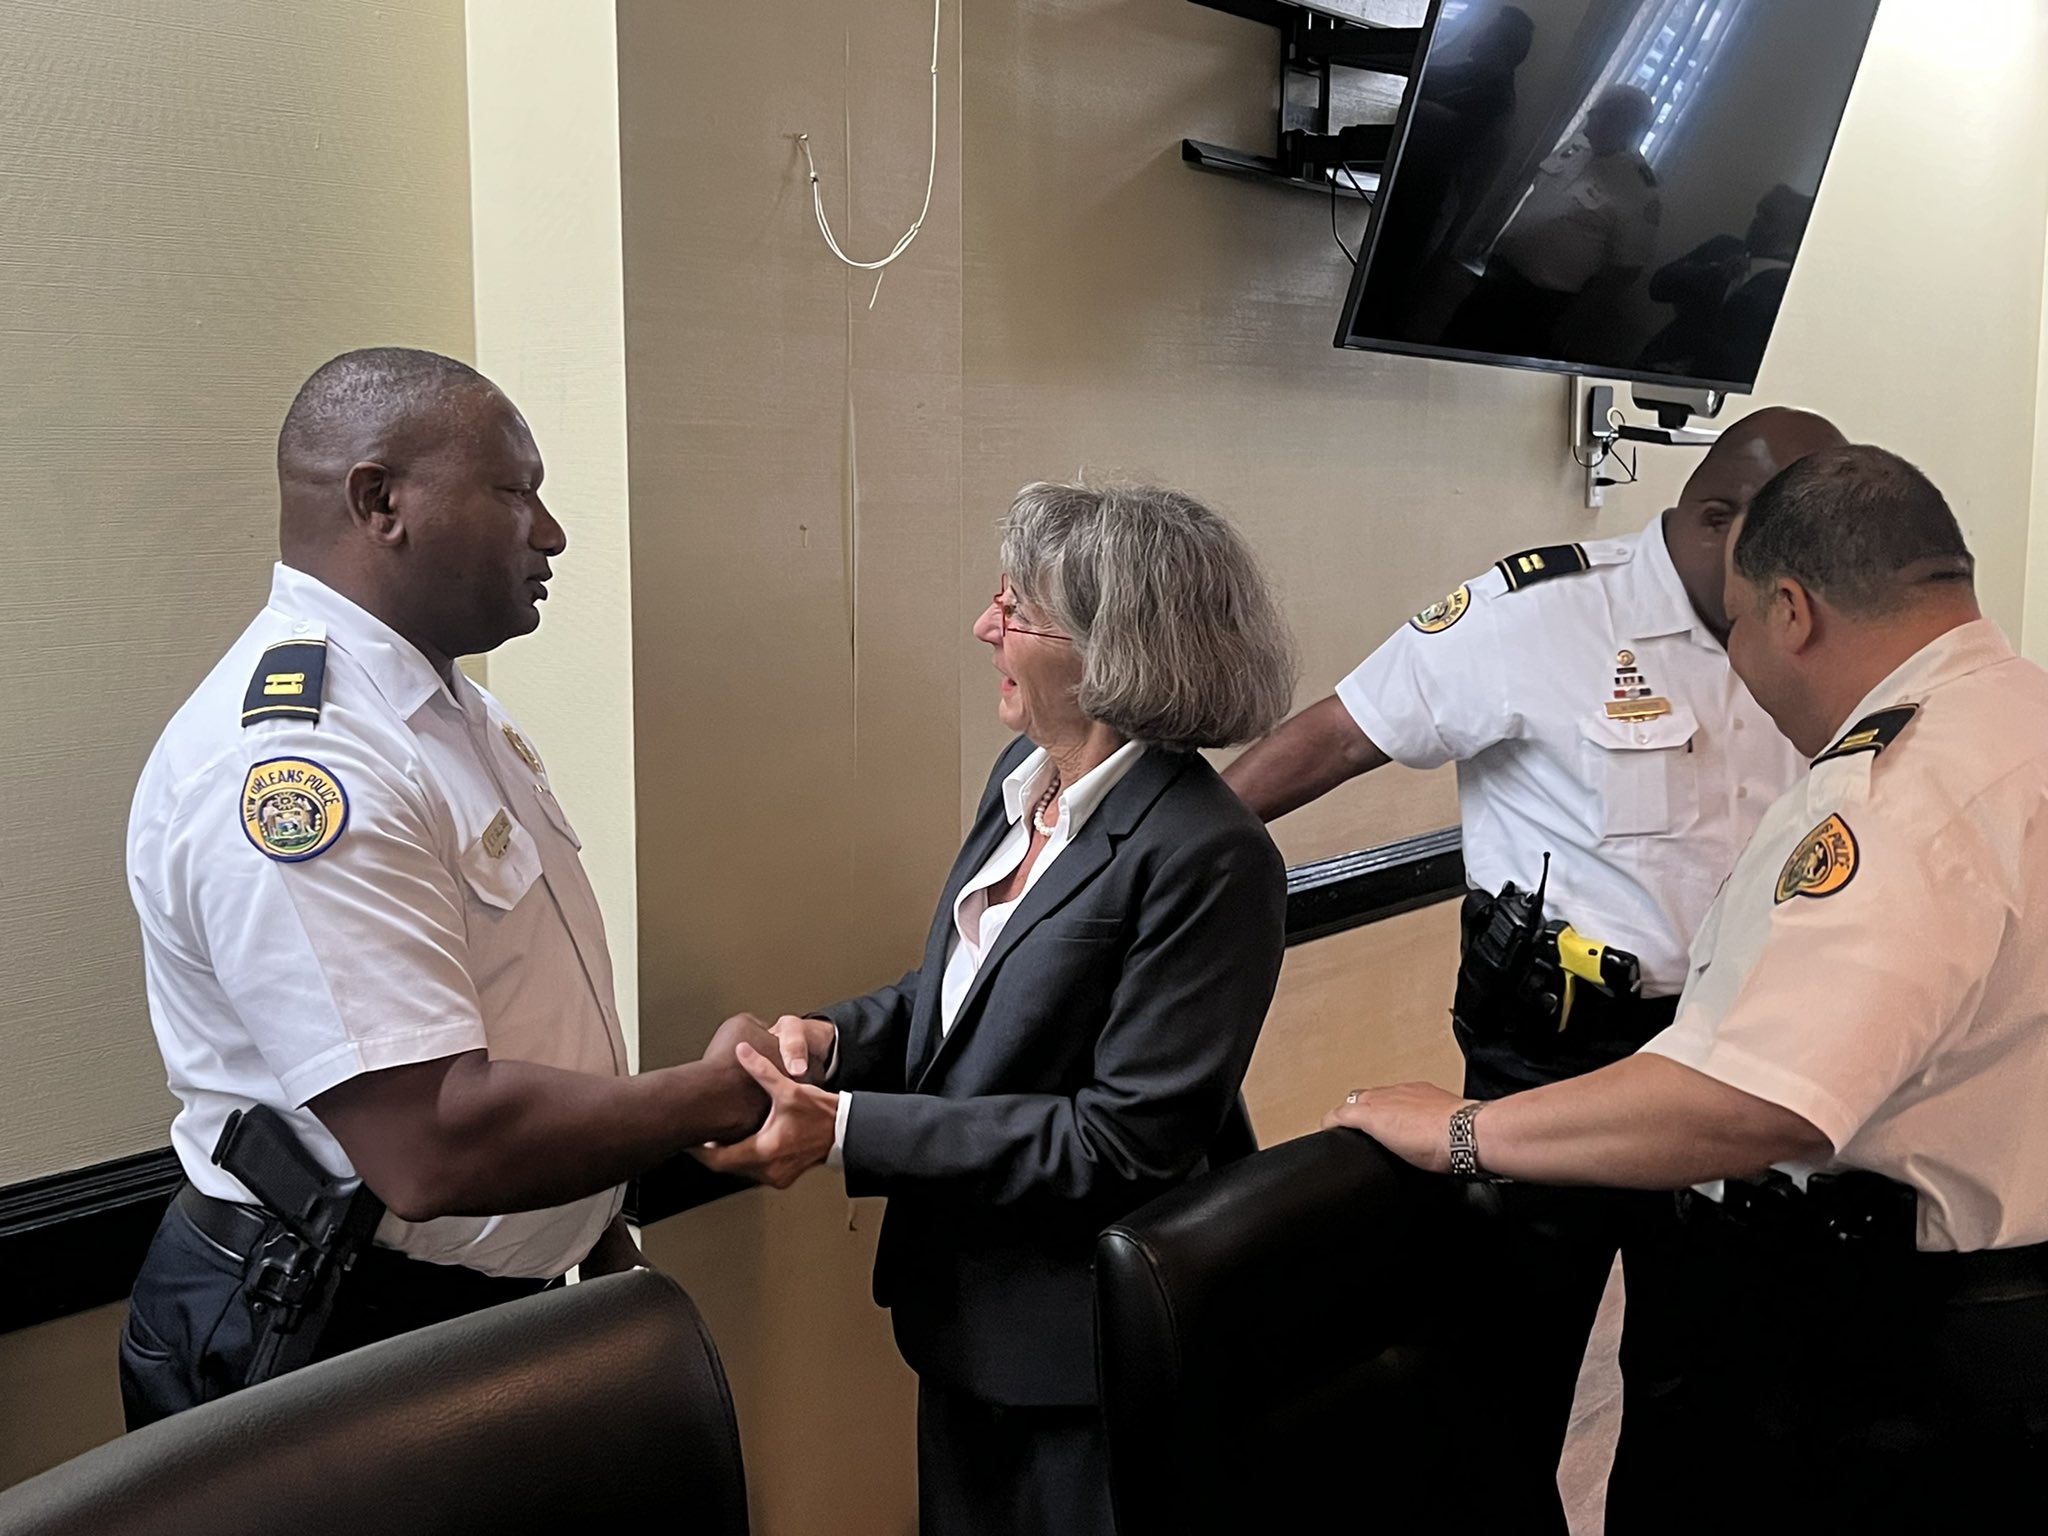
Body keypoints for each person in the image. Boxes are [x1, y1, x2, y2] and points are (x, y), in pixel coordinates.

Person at [1331, 444, 2048, 1532]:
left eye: (1737, 627)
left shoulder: (1898, 797)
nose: (1737, 669)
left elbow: (1757, 1101)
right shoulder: (2017, 721)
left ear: (1791, 610)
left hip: (1878, 1347)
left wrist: (1463, 1132)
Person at [120, 348, 775, 1429]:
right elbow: (429, 1142)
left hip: (471, 1308)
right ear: (379, 502)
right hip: (332, 1331)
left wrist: (586, 1231)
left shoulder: (449, 713)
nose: (551, 533)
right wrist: (717, 1094)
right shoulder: (301, 762)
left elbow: (516, 1014)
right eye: (516, 492)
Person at [1223, 405, 1845, 1531]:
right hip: (1553, 1050)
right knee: (1502, 1367)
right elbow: (1342, 732)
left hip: (1729, 1053)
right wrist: (1168, 853)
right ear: (1720, 520)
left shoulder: (1803, 631)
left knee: (1699, 1374)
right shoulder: (1539, 613)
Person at [697, 483, 1298, 1536]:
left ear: (1113, 650)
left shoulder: (1210, 855)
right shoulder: (1024, 777)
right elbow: (966, 1003)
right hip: (962, 1316)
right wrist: (833, 1041)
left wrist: (845, 1131)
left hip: (1082, 1349)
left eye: (1017, 610)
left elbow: (1124, 1141)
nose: (985, 626)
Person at [1444, 84, 1663, 359]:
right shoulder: (1577, 145)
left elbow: (1624, 271)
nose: (1587, 126)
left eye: (1598, 117)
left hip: (1542, 302)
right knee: (1452, 346)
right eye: (1592, 114)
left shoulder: (1640, 191)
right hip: (1499, 273)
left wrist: (1571, 324)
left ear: (1626, 127)